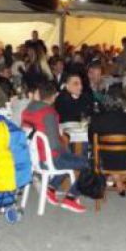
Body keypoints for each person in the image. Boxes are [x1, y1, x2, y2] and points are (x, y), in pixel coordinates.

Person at [21, 81, 89, 213]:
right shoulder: (48, 113)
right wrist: (64, 141)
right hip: (49, 159)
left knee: (69, 154)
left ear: (38, 94)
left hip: (34, 158)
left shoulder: (27, 110)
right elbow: (54, 145)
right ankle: (71, 197)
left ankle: (51, 188)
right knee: (91, 164)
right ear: (53, 96)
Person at [88, 89, 126, 193]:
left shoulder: (95, 119)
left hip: (103, 162)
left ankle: (115, 178)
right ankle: (119, 179)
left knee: (104, 154)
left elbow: (91, 141)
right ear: (123, 103)